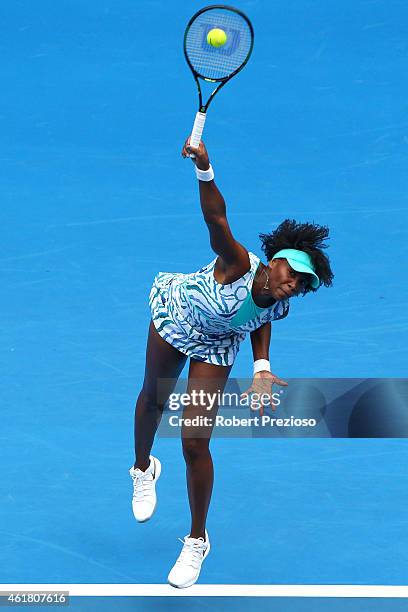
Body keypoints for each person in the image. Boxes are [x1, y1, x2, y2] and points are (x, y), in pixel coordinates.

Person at [129, 137, 334, 589]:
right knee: (151, 401)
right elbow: (216, 218)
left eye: (302, 285)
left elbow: (262, 318)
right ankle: (143, 469)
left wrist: (261, 367)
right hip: (179, 315)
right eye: (293, 274)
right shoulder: (239, 263)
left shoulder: (280, 300)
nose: (293, 285)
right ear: (276, 261)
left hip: (217, 344)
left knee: (194, 444)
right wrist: (205, 168)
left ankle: (197, 539)